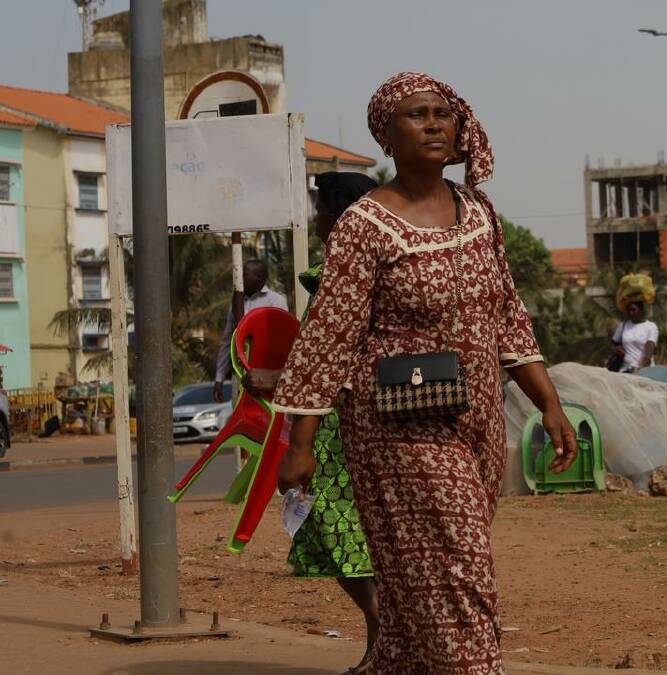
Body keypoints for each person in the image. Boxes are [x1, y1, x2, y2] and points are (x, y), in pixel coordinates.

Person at [273, 72, 578, 674]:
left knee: (427, 579)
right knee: (459, 566)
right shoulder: (364, 225)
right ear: (387, 136)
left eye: (443, 112)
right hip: (399, 428)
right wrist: (299, 444)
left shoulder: (479, 212)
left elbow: (509, 316)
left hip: (479, 422)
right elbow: (329, 334)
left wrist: (549, 403)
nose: (435, 123)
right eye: (417, 115)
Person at [287, 171, 380, 672]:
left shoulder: (343, 279)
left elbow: (328, 360)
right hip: (348, 426)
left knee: (341, 533)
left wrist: (299, 444)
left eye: (322, 207)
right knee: (357, 543)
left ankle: (384, 631)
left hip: (341, 433)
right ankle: (379, 644)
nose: (316, 217)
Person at [213, 259, 289, 402]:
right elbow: (228, 340)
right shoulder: (236, 302)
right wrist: (219, 378)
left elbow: (281, 339)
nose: (239, 278)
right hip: (240, 374)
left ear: (259, 277)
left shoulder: (275, 301)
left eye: (245, 275)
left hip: (265, 375)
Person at [610, 300, 657, 373]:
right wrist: (617, 349)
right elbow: (613, 343)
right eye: (629, 310)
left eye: (633, 310)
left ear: (641, 310)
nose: (630, 313)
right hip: (626, 369)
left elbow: (650, 343)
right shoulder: (623, 325)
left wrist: (647, 357)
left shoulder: (651, 326)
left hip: (645, 370)